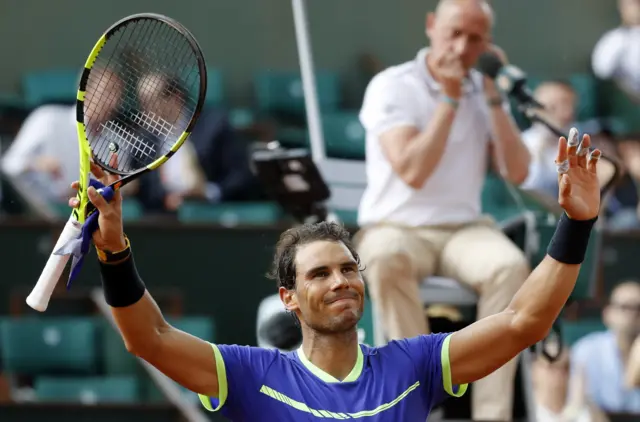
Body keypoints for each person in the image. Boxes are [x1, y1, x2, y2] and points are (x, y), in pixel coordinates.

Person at [67, 126, 601, 421]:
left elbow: (521, 322)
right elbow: (149, 338)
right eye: (319, 274)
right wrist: (114, 250)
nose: (340, 280)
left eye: (349, 268)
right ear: (289, 298)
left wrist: (578, 223)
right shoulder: (253, 376)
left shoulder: (412, 365)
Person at [355, 0, 530, 419]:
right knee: (383, 258)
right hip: (394, 225)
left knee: (510, 266)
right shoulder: (392, 84)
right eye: (454, 32)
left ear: (487, 43)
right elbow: (413, 170)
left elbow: (519, 172)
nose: (462, 46)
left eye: (475, 38)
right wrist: (449, 101)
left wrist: (493, 101)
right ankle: (414, 405)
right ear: (431, 26)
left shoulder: (483, 89)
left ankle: (492, 413)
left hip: (465, 229)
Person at [570, 281, 640, 413]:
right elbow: (576, 407)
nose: (633, 314)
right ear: (608, 313)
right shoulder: (587, 350)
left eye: (639, 308)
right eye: (625, 307)